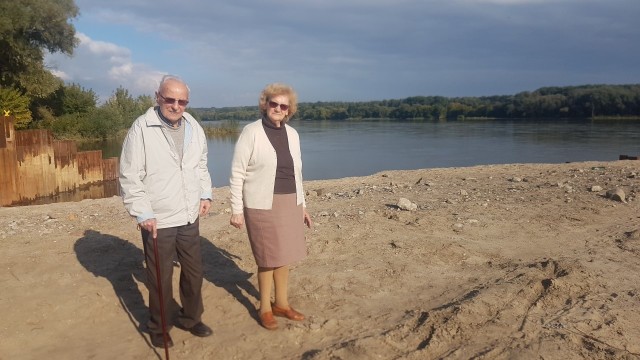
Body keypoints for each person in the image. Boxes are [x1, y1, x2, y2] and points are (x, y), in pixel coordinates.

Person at [119, 75, 213, 348]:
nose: (175, 105)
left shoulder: (194, 126)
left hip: (188, 214)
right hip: (157, 217)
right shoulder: (142, 128)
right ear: (157, 96)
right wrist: (142, 213)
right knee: (160, 277)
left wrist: (205, 193)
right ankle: (159, 327)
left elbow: (201, 165)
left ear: (187, 102)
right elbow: (129, 175)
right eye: (169, 99)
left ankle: (191, 318)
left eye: (181, 101)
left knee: (194, 272)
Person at [229, 83, 313, 330]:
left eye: (283, 105)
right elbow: (237, 173)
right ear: (265, 104)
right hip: (261, 204)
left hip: (289, 201)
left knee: (284, 255)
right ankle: (265, 307)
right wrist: (236, 209)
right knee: (267, 257)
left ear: (289, 110)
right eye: (273, 103)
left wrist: (303, 206)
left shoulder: (293, 135)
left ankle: (282, 304)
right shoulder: (251, 132)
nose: (278, 108)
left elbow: (297, 173)